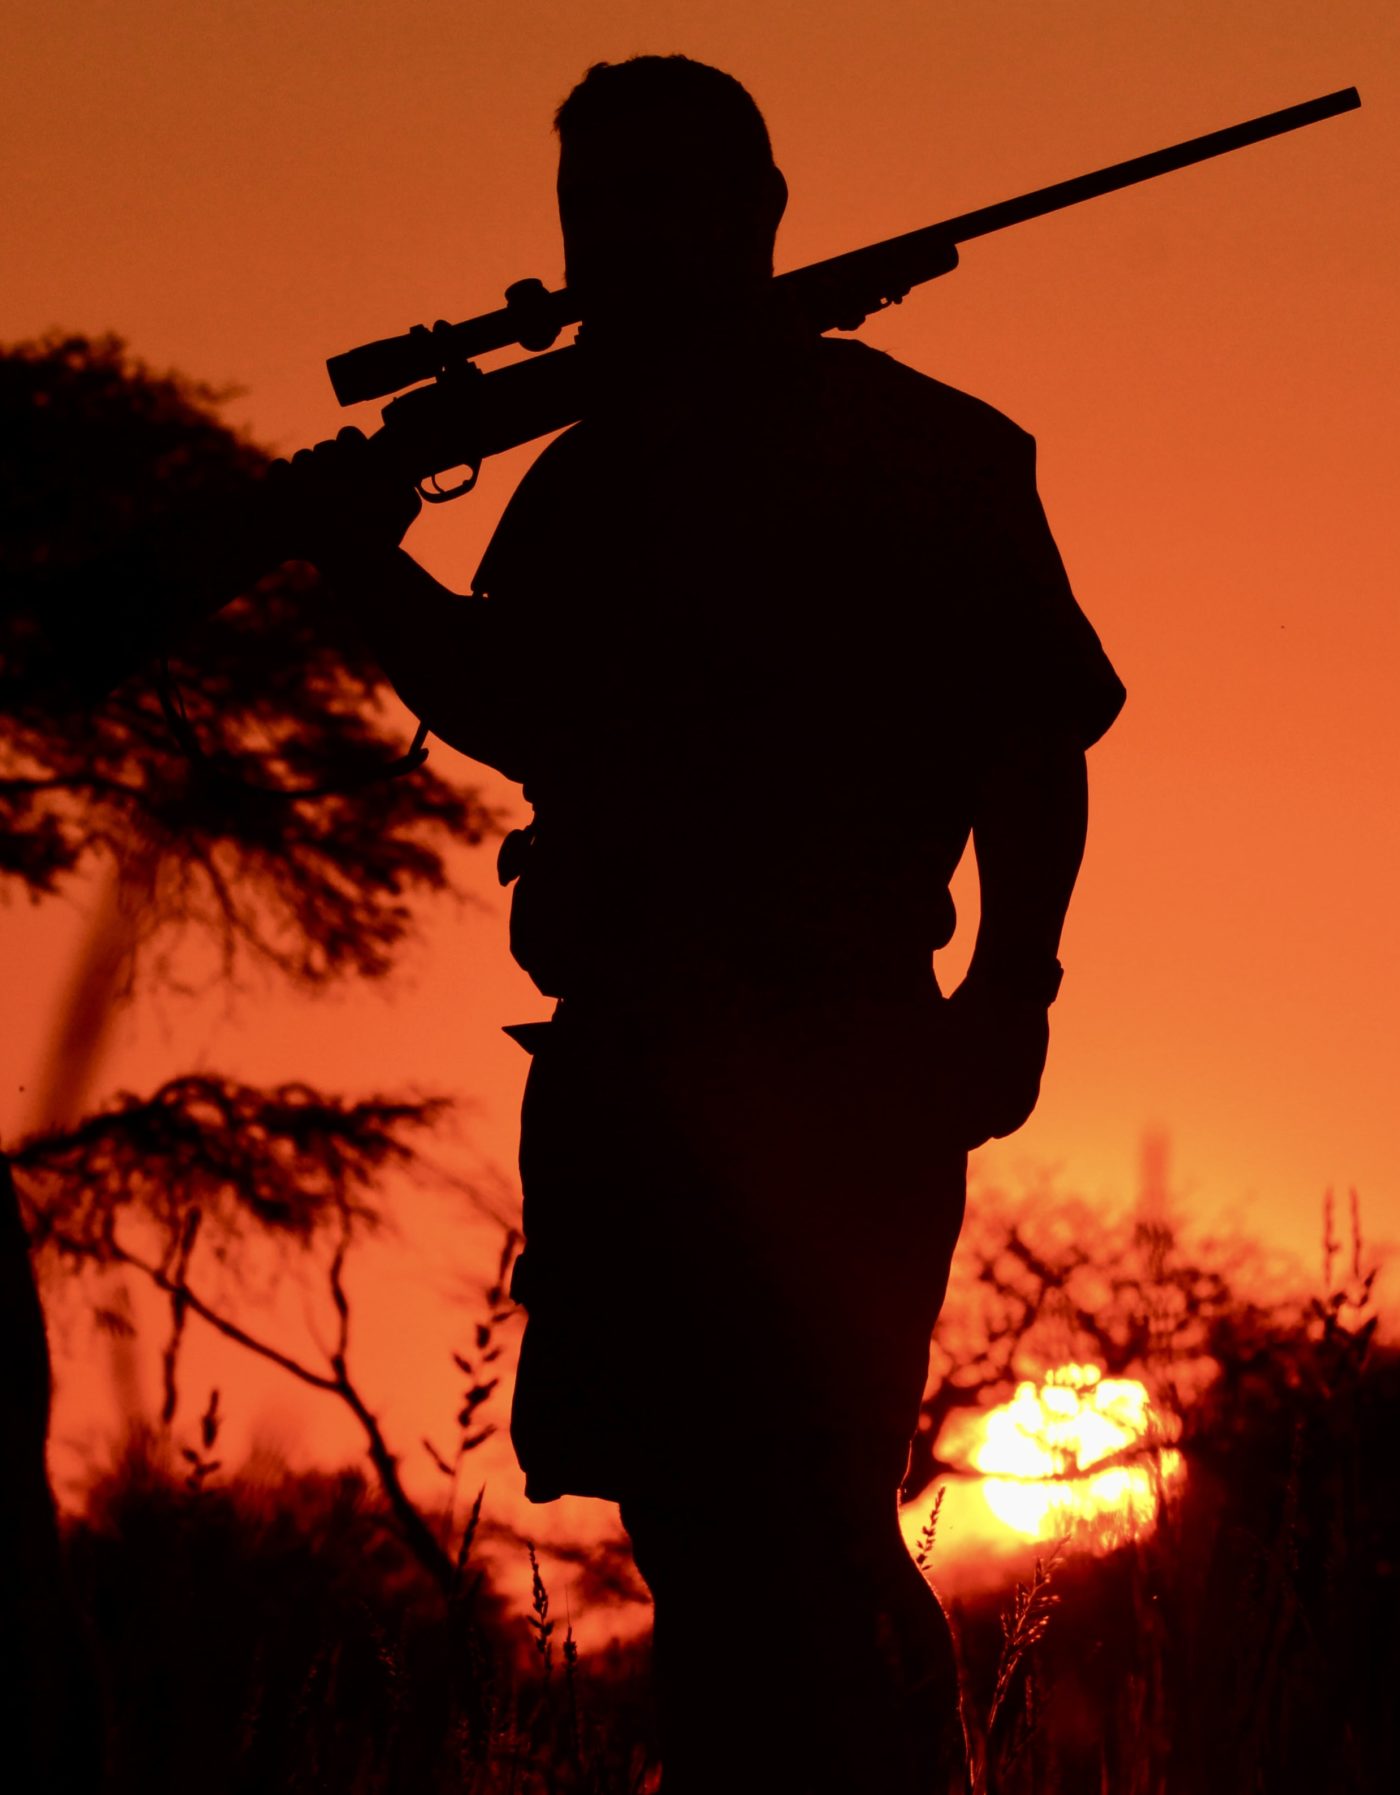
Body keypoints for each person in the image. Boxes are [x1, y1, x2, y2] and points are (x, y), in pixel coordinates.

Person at [275, 54, 1124, 1791]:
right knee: (701, 1521)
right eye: (601, 209)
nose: (630, 239)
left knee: (799, 1515)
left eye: (669, 201)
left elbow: (1036, 742)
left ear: (761, 216)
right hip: (629, 1065)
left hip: (838, 1051)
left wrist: (1010, 997)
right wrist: (353, 560)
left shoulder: (922, 453)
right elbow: (516, 703)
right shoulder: (588, 475)